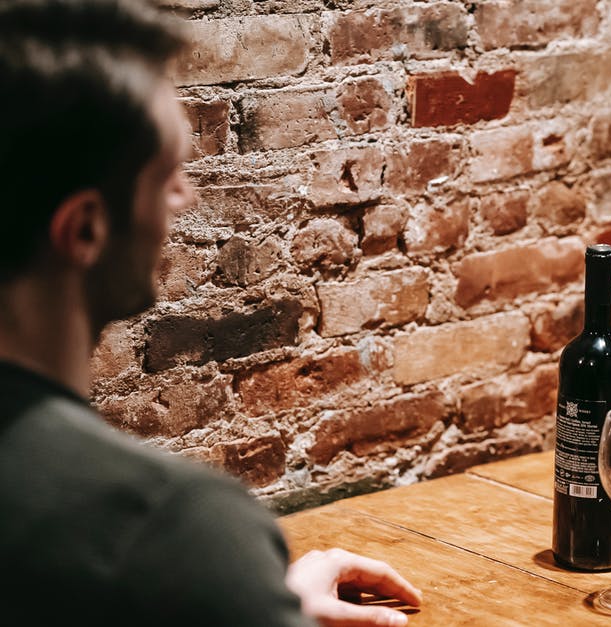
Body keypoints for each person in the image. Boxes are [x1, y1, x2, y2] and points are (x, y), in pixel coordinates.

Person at [0, 0, 422, 624]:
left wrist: (254, 601)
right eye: (167, 176)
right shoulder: (169, 529)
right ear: (86, 228)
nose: (185, 197)